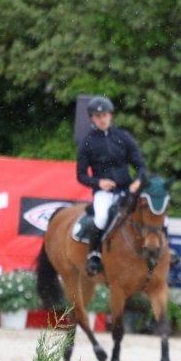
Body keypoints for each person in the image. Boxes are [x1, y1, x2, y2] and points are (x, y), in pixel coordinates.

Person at [75, 96, 148, 275]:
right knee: (100, 218)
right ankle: (94, 254)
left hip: (127, 189)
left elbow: (140, 165)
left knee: (150, 211)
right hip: (104, 193)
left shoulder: (123, 137)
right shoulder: (87, 143)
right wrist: (99, 182)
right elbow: (81, 176)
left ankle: (163, 249)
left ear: (111, 115)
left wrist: (138, 180)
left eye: (105, 115)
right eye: (98, 116)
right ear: (92, 118)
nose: (102, 119)